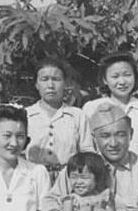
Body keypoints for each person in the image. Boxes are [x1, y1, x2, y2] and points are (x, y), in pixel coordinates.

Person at [26, 56, 94, 184]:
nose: (50, 85)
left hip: (69, 181)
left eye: (56, 79)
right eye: (44, 79)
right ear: (36, 84)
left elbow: (87, 152)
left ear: (65, 83)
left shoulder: (77, 115)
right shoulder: (26, 115)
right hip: (33, 181)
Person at [83, 51, 138, 158]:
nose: (122, 81)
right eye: (115, 76)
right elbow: (87, 146)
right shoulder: (92, 108)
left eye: (127, 75)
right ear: (105, 80)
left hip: (137, 172)